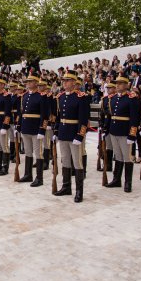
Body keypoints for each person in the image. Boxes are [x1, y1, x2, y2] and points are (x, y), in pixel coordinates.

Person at [53, 71, 89, 202]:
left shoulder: (81, 97)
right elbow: (58, 117)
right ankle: (66, 187)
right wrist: (56, 132)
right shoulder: (60, 96)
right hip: (63, 132)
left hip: (74, 133)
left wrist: (80, 135)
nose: (64, 82)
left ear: (74, 82)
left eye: (67, 80)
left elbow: (83, 119)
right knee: (65, 160)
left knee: (77, 163)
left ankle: (79, 191)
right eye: (63, 80)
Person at [102, 76, 141, 193]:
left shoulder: (131, 98)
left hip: (125, 132)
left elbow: (135, 118)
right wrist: (107, 129)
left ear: (126, 85)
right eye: (117, 83)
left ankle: (128, 182)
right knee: (118, 156)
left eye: (120, 83)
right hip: (114, 131)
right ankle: (116, 179)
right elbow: (110, 116)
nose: (118, 85)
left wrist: (132, 134)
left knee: (127, 158)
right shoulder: (112, 98)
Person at [16, 74, 49, 186]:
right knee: (28, 152)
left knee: (38, 153)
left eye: (31, 81)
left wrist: (42, 130)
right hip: (26, 127)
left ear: (36, 83)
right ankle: (28, 174)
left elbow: (44, 116)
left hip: (36, 129)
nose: (28, 83)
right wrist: (19, 126)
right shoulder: (24, 96)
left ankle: (39, 178)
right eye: (27, 81)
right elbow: (22, 113)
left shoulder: (41, 96)